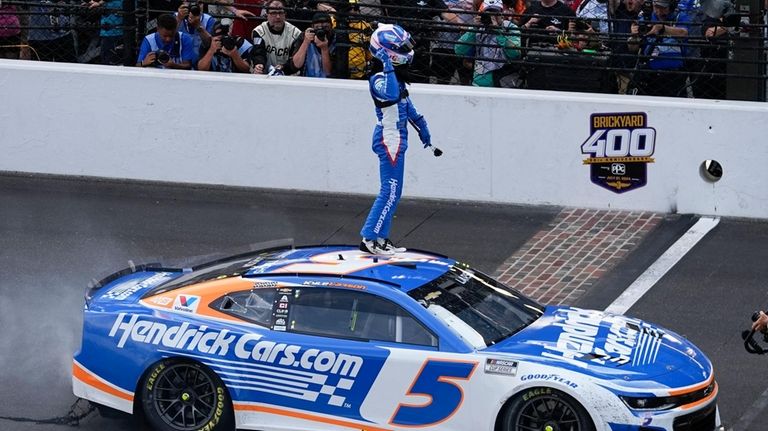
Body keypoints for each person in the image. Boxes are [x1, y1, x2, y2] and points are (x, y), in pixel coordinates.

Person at [359, 24, 432, 255]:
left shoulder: (395, 78)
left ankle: (382, 238)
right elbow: (390, 97)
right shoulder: (378, 78)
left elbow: (406, 104)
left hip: (397, 138)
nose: (408, 53)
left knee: (394, 193)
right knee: (389, 192)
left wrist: (422, 125)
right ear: (386, 52)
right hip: (389, 139)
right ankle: (369, 238)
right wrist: (388, 65)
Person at [627, 0, 690, 97]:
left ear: (671, 6)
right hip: (649, 72)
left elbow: (683, 33)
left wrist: (662, 28)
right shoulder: (646, 17)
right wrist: (634, 36)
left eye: (663, 8)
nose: (659, 12)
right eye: (656, 7)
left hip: (674, 72)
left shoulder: (679, 16)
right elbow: (632, 48)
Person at [454, 0, 522, 87]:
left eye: (495, 13)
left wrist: (499, 31)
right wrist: (474, 30)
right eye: (488, 13)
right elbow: (459, 50)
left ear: (501, 14)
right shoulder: (478, 27)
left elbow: (514, 54)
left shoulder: (510, 27)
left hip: (502, 82)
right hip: (478, 82)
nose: (491, 17)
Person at [251, 0, 303, 74]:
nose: (278, 17)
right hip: (265, 74)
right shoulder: (259, 31)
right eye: (273, 13)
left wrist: (283, 67)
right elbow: (258, 52)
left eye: (281, 13)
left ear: (285, 14)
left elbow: (295, 60)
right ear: (267, 15)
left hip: (288, 75)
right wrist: (259, 64)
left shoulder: (296, 33)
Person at [282, 12, 340, 77]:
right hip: (307, 79)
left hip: (328, 82)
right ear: (312, 27)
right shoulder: (305, 36)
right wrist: (305, 42)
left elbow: (328, 72)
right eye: (317, 27)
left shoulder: (336, 39)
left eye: (325, 27)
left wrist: (324, 49)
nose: (321, 31)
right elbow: (295, 65)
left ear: (331, 27)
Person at [176, 1, 216, 67]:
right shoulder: (176, 16)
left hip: (201, 61)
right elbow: (168, 38)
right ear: (184, 2)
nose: (194, 7)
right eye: (190, 2)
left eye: (199, 3)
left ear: (203, 5)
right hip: (180, 61)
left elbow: (209, 44)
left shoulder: (209, 19)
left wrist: (198, 25)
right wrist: (179, 19)